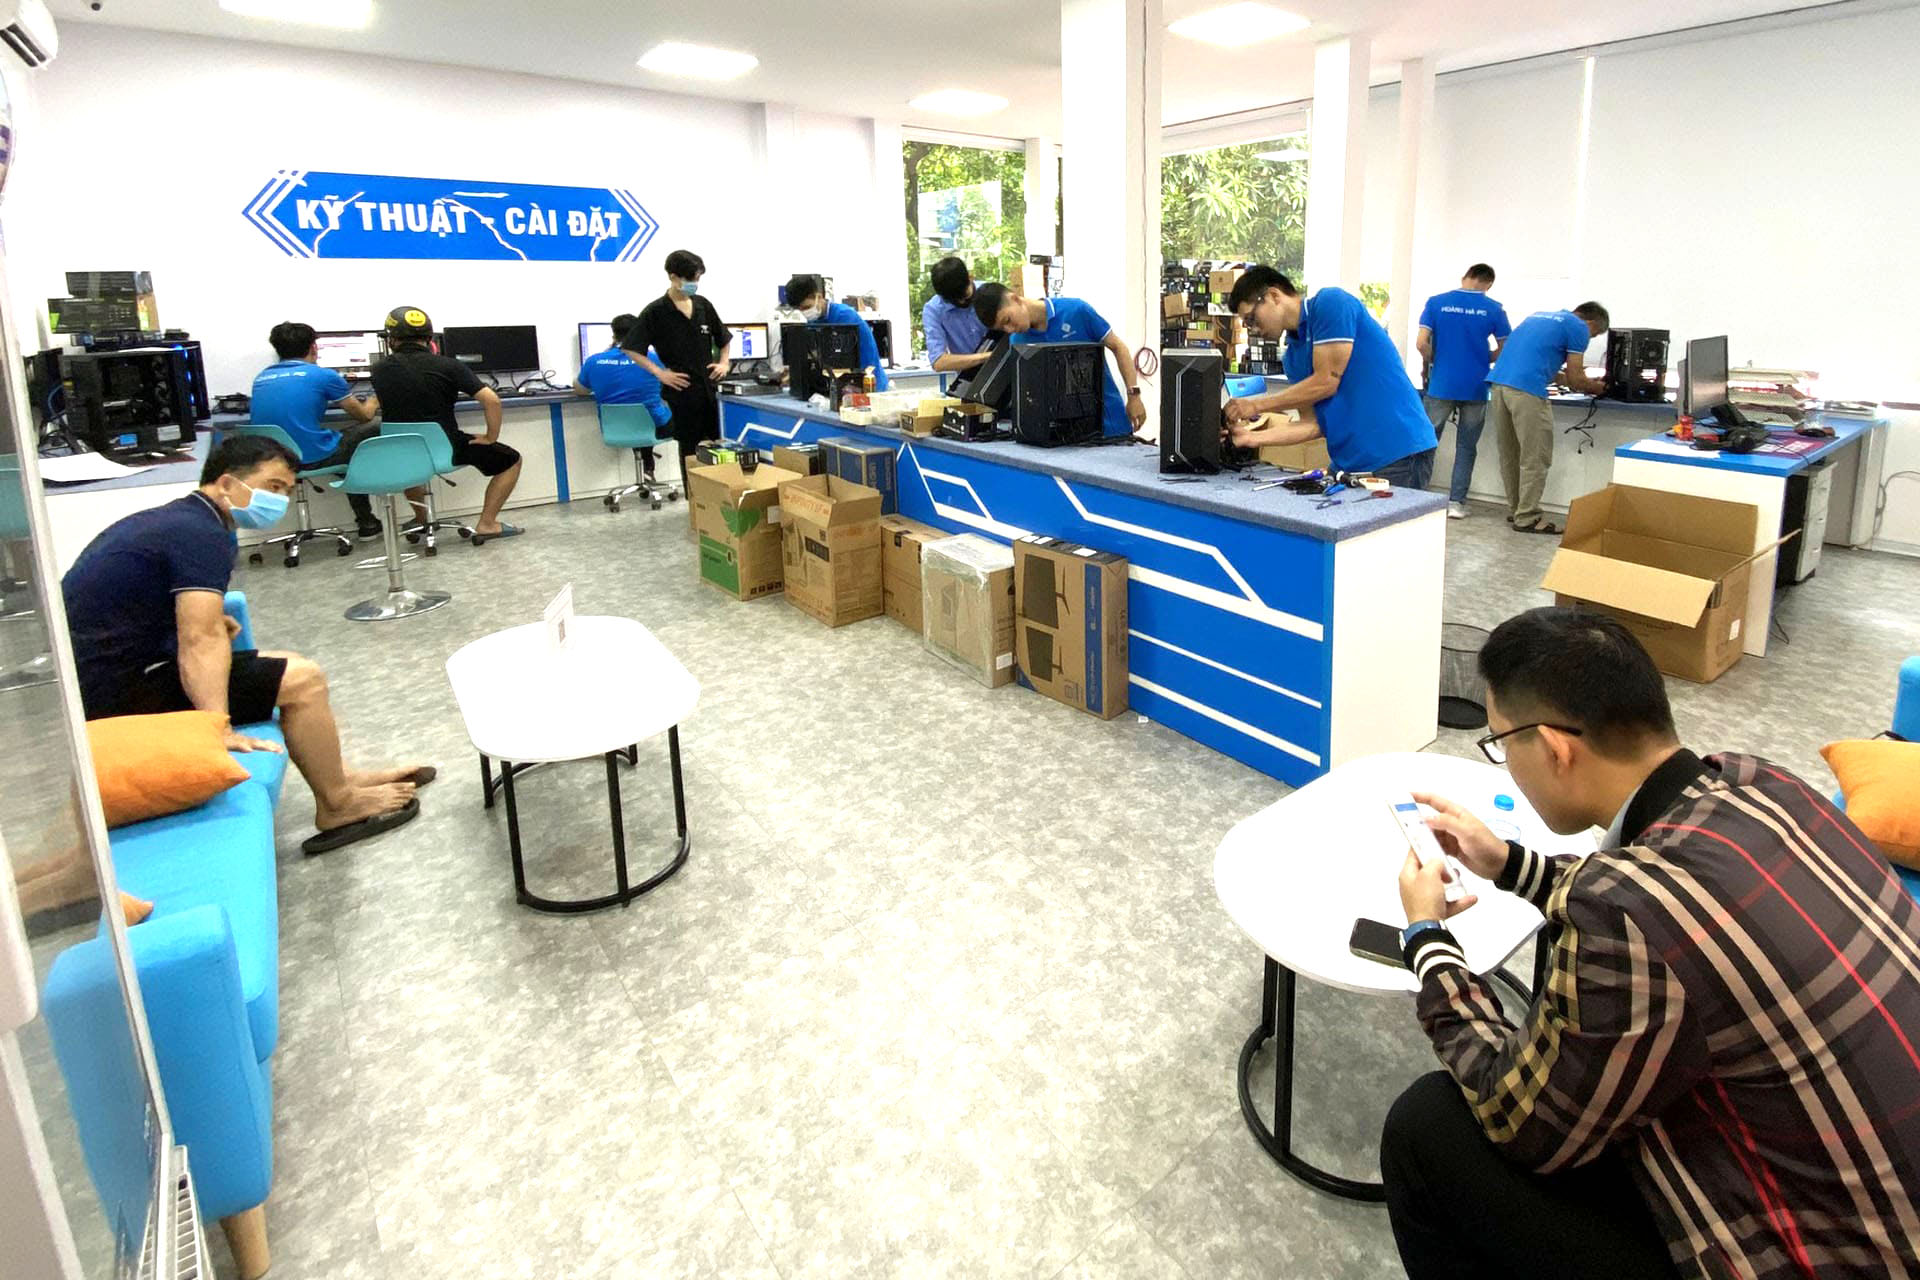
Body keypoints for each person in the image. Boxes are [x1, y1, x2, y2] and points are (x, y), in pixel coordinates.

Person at [1382, 607, 1920, 1280]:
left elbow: (1517, 1118)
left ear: (1555, 748)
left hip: (1810, 1256)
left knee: (1427, 1127)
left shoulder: (1615, 916)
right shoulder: (1761, 783)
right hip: (1888, 1211)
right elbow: (1670, 897)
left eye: (1501, 743)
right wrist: (1510, 864)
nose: (1505, 762)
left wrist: (1429, 941)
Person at [61, 435, 431, 855]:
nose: (281, 501)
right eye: (273, 487)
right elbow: (199, 639)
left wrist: (210, 621)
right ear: (226, 483)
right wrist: (216, 728)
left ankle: (340, 777)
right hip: (110, 700)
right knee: (302, 679)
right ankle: (338, 804)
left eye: (286, 491)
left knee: (287, 662)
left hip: (112, 675)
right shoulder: (201, 533)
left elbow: (139, 609)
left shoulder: (184, 520)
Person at [1221, 267, 1438, 489]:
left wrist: (1256, 405)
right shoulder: (1293, 357)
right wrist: (1251, 438)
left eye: (1251, 318)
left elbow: (1326, 382)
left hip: (1396, 453)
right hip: (1348, 464)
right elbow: (1312, 425)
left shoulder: (1331, 304)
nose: (1253, 329)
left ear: (1274, 296)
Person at [368, 305, 524, 543]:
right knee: (512, 460)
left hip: (400, 450)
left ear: (390, 339)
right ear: (430, 339)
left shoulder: (378, 369)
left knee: (412, 461)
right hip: (446, 449)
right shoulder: (449, 366)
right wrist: (490, 437)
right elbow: (492, 400)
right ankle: (487, 524)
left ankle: (421, 518)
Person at [249, 321, 386, 540]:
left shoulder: (261, 378)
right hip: (309, 458)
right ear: (314, 347)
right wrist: (375, 398)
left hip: (270, 459)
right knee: (375, 427)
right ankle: (368, 521)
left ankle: (367, 521)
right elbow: (364, 416)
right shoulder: (324, 376)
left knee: (344, 449)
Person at [1486, 303, 1609, 534]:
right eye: (1594, 335)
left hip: (1499, 386)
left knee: (1510, 454)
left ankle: (1518, 510)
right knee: (1536, 456)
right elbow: (1576, 379)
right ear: (1591, 323)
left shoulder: (1537, 317)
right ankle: (1528, 517)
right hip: (1527, 392)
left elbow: (1538, 364)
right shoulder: (1578, 327)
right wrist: (1598, 388)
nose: (1589, 339)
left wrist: (1567, 378)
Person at [970, 283, 1147, 436]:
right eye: (1003, 328)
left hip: (1110, 424)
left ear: (1015, 299)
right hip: (1065, 436)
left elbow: (1118, 347)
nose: (1009, 329)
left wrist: (1134, 397)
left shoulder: (1076, 310)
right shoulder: (1018, 342)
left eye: (1007, 320)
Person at [623, 249, 730, 489]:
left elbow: (724, 338)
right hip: (682, 391)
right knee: (690, 449)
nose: (695, 284)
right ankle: (694, 499)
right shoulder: (656, 312)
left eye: (698, 279)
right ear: (673, 277)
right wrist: (660, 373)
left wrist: (724, 362)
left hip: (710, 388)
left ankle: (720, 495)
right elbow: (631, 348)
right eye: (691, 279)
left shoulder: (703, 305)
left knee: (720, 446)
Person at [1416, 266, 1510, 519]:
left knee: (1426, 441)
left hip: (1442, 384)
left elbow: (1421, 343)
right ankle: (1456, 503)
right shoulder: (1494, 309)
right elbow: (1506, 347)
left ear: (1465, 277)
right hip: (1476, 386)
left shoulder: (1436, 303)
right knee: (1467, 446)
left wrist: (1436, 360)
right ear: (1488, 284)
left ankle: (1416, 496)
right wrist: (1485, 359)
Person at [575, 312, 673, 482]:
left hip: (615, 428)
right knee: (663, 415)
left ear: (614, 335)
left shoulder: (594, 361)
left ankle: (648, 466)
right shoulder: (654, 359)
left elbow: (580, 390)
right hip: (655, 426)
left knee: (639, 417)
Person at [783, 274, 890, 392]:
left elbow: (839, 359)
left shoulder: (844, 316)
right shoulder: (814, 321)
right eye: (800, 310)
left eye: (806, 307)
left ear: (818, 296)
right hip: (842, 386)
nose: (804, 312)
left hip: (868, 383)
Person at [921, 256, 991, 374]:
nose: (961, 302)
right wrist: (987, 356)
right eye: (954, 300)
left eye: (965, 296)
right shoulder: (933, 310)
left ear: (970, 277)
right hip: (970, 377)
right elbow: (938, 362)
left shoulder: (990, 293)